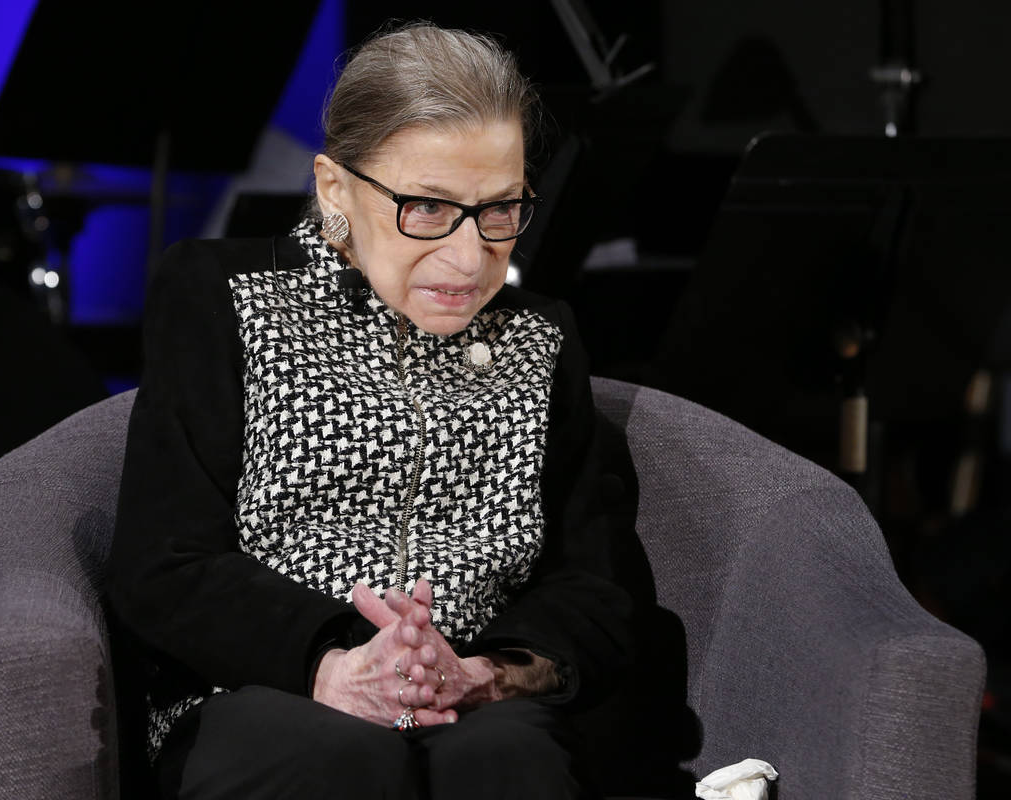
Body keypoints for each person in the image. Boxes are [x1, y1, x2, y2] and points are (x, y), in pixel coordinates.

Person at [106, 21, 649, 799]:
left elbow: (593, 588)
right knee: (336, 760)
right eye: (428, 208)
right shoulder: (224, 298)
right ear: (336, 189)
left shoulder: (540, 338)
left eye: (501, 210)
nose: (469, 258)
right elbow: (165, 565)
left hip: (472, 701)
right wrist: (330, 662)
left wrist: (486, 673)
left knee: (507, 763)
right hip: (262, 691)